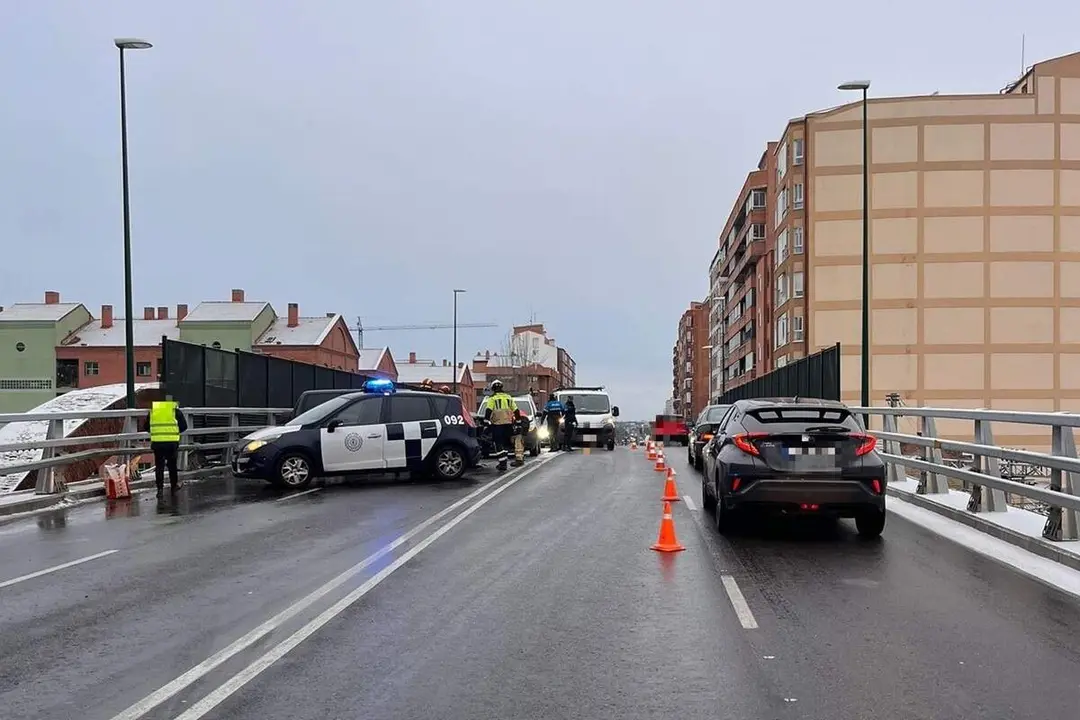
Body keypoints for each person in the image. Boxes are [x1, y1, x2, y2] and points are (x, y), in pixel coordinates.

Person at [148, 396, 188, 495]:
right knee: (172, 466)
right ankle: (174, 486)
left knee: (159, 466)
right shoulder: (175, 411)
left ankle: (160, 489)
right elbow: (184, 426)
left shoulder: (153, 411)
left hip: (157, 443)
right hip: (171, 443)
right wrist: (174, 432)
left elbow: (146, 426)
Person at [479, 379, 522, 471]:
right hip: (508, 424)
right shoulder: (508, 397)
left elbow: (488, 411)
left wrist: (486, 421)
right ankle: (503, 462)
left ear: (493, 389)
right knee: (505, 444)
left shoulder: (492, 399)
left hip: (497, 424)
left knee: (498, 444)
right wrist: (518, 422)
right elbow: (516, 410)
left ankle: (503, 464)